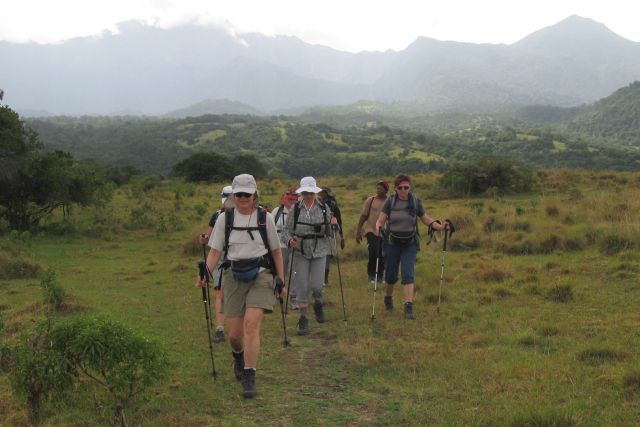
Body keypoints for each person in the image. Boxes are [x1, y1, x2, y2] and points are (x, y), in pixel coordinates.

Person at [196, 174, 285, 398]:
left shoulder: (265, 218)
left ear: (255, 194)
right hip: (233, 275)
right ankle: (238, 355)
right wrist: (206, 274)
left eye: (248, 194)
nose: (244, 198)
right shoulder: (225, 219)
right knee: (235, 335)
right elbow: (215, 251)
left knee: (251, 325)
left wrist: (281, 280)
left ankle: (249, 374)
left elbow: (276, 251)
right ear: (233, 196)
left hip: (262, 275)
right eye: (239, 194)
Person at [374, 173, 450, 320]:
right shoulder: (390, 202)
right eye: (400, 188)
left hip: (410, 243)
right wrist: (378, 227)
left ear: (410, 187)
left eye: (406, 187)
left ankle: (408, 306)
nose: (403, 190)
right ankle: (388, 297)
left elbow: (425, 219)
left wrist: (440, 227)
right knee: (390, 275)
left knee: (408, 274)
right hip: (391, 243)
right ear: (395, 189)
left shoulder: (415, 201)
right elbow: (380, 220)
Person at [281, 177, 337, 335]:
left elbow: (331, 230)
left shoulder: (324, 207)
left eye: (311, 192)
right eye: (306, 192)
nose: (309, 195)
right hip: (300, 251)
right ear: (302, 193)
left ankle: (318, 304)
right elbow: (286, 231)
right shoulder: (295, 209)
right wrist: (290, 240)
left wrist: (334, 224)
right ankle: (303, 318)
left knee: (318, 286)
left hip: (320, 250)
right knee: (302, 286)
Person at [198, 185, 234, 343]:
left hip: (238, 257)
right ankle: (220, 328)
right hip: (220, 257)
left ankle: (236, 325)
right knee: (220, 292)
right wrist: (204, 239)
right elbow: (210, 240)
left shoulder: (245, 216)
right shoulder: (216, 216)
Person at [355, 180, 389, 284]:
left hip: (384, 232)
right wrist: (358, 230)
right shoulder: (371, 200)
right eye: (377, 188)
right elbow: (364, 216)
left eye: (381, 189)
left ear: (386, 190)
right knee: (373, 252)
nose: (378, 190)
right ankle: (371, 275)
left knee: (382, 254)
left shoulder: (389, 201)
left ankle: (380, 277)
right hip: (371, 230)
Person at [272, 189, 299, 310]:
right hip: (279, 247)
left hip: (294, 246)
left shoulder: (299, 212)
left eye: (294, 200)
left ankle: (293, 298)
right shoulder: (276, 212)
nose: (291, 202)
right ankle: (278, 293)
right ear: (284, 199)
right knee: (280, 272)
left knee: (294, 273)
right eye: (289, 199)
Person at [317, 187, 344, 287]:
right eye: (320, 192)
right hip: (317, 234)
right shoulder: (314, 204)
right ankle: (319, 279)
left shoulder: (332, 205)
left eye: (324, 193)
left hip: (329, 233)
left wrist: (342, 236)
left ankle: (325, 279)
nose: (322, 194)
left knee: (327, 255)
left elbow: (339, 220)